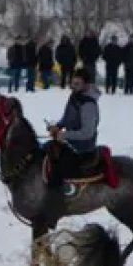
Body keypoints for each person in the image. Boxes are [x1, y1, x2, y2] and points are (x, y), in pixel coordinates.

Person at [45, 67, 102, 196]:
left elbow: (87, 132)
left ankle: (57, 197)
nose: (73, 86)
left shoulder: (88, 104)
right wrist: (57, 127)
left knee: (58, 169)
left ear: (86, 85)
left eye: (77, 84)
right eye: (72, 83)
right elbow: (67, 118)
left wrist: (64, 135)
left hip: (83, 149)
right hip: (70, 143)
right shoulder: (75, 96)